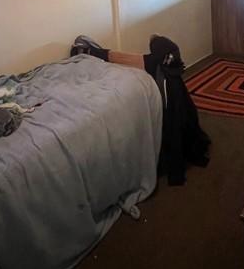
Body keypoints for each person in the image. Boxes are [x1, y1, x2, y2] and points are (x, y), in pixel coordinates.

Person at [70, 34, 210, 185]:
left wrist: (91, 52)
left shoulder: (152, 63)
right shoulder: (173, 67)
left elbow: (117, 57)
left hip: (168, 118)